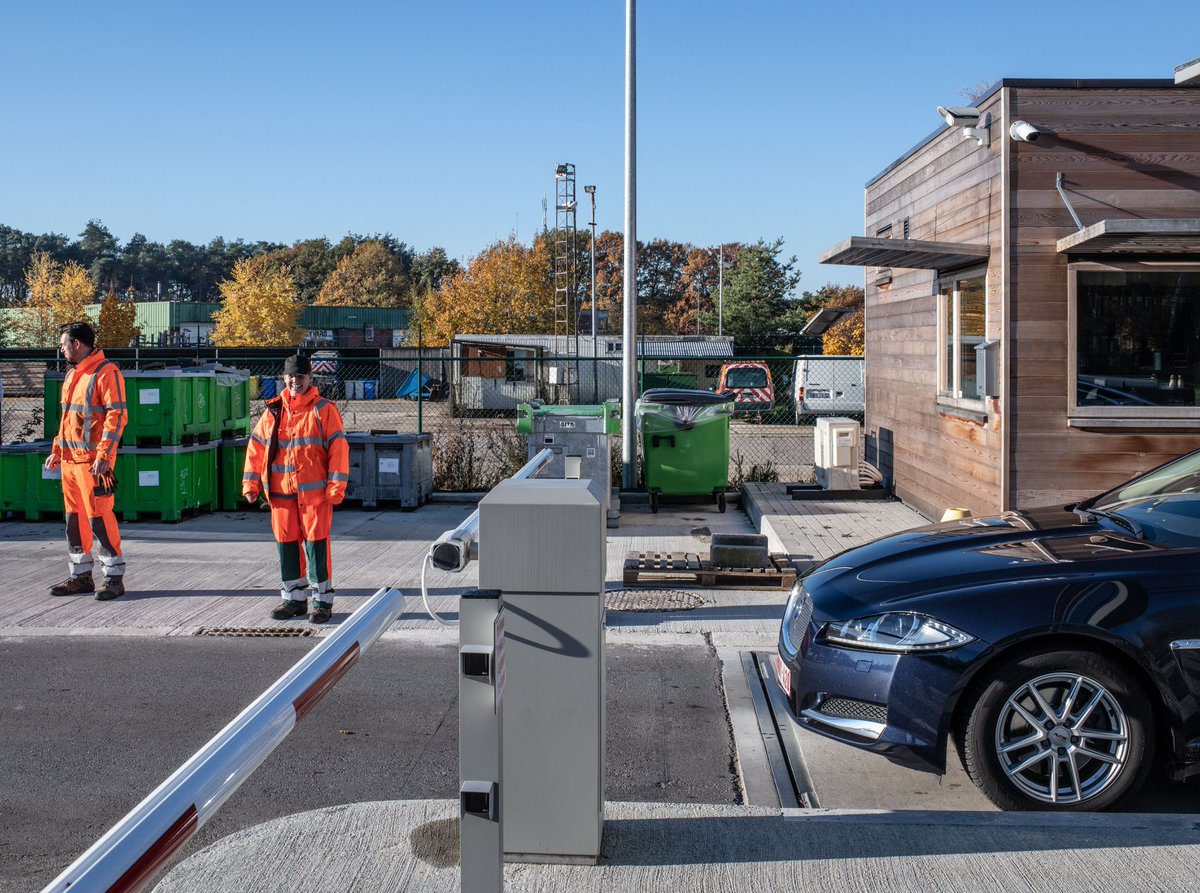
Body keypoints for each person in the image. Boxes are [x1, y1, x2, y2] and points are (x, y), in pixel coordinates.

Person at [242, 354, 349, 623]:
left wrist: (336, 486)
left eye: (300, 377)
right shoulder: (274, 411)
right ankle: (293, 600)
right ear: (284, 378)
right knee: (287, 545)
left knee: (316, 546)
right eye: (290, 376)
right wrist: (250, 483)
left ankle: (322, 602)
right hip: (280, 495)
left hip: (314, 495)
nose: (294, 381)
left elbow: (338, 450)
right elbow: (256, 448)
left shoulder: (324, 410)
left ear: (310, 379)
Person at [45, 321, 129, 600]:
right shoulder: (72, 375)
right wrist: (58, 449)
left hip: (94, 464)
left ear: (77, 344)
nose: (61, 348)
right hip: (70, 462)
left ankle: (114, 579)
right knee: (74, 521)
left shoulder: (107, 373)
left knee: (100, 519)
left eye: (63, 343)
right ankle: (80, 578)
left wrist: (104, 455)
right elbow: (68, 419)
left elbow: (117, 417)